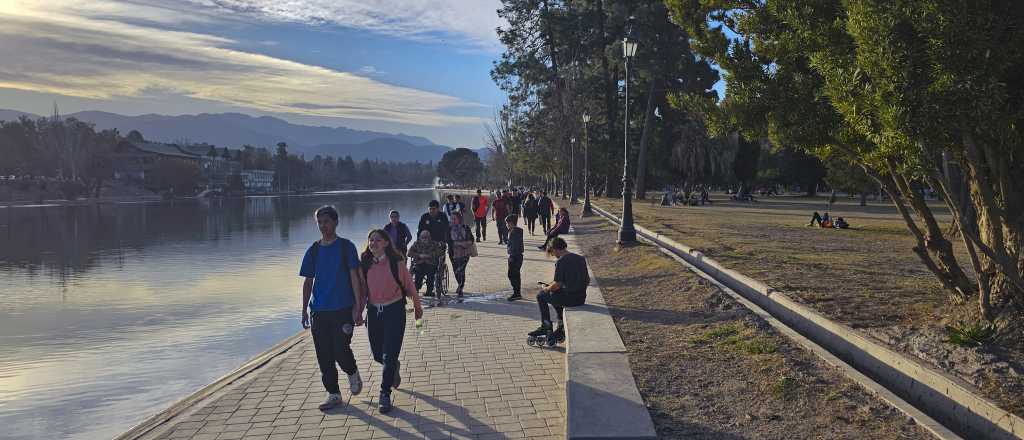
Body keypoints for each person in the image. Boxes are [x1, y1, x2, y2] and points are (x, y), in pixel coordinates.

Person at [298, 205, 365, 411]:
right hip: (319, 310)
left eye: (326, 221)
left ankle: (352, 371)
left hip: (343, 309)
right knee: (324, 354)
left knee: (340, 349)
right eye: (319, 222)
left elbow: (355, 278)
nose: (323, 225)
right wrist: (303, 309)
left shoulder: (346, 247)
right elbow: (308, 281)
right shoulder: (314, 250)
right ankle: (333, 393)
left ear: (335, 222)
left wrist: (358, 307)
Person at [357, 229, 423, 414]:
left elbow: (410, 286)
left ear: (386, 243)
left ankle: (384, 394)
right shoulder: (365, 264)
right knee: (378, 354)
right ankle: (394, 367)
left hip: (394, 311)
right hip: (373, 312)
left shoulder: (396, 262)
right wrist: (358, 312)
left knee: (389, 355)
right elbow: (363, 292)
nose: (373, 243)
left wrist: (417, 307)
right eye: (371, 240)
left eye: (378, 240)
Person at [528, 237, 589, 343]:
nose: (553, 255)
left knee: (541, 296)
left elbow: (557, 284)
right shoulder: (580, 258)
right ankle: (560, 326)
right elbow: (587, 280)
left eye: (551, 253)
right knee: (555, 294)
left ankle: (545, 326)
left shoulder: (561, 262)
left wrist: (546, 288)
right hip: (581, 297)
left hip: (571, 299)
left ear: (554, 249)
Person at [408, 230, 446, 297]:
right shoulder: (416, 243)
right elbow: (409, 253)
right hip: (419, 263)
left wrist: (430, 255)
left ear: (429, 237)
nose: (424, 239)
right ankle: (416, 289)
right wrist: (419, 255)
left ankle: (429, 291)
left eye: (426, 237)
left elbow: (440, 252)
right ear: (420, 237)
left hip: (431, 264)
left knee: (430, 275)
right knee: (418, 275)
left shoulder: (434, 244)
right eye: (423, 237)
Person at [447, 212, 475, 297]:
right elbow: (448, 240)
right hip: (453, 252)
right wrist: (458, 244)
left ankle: (460, 287)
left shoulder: (465, 228)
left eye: (454, 219)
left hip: (465, 252)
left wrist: (464, 244)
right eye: (451, 218)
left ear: (459, 219)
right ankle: (460, 284)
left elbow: (471, 239)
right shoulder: (448, 229)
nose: (452, 220)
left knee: (461, 269)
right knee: (456, 270)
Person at [505, 214, 525, 301]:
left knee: (512, 274)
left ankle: (516, 293)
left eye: (507, 223)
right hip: (517, 256)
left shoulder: (514, 233)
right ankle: (517, 292)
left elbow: (515, 246)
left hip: (515, 256)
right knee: (515, 274)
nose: (506, 225)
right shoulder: (515, 231)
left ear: (511, 223)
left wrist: (512, 256)